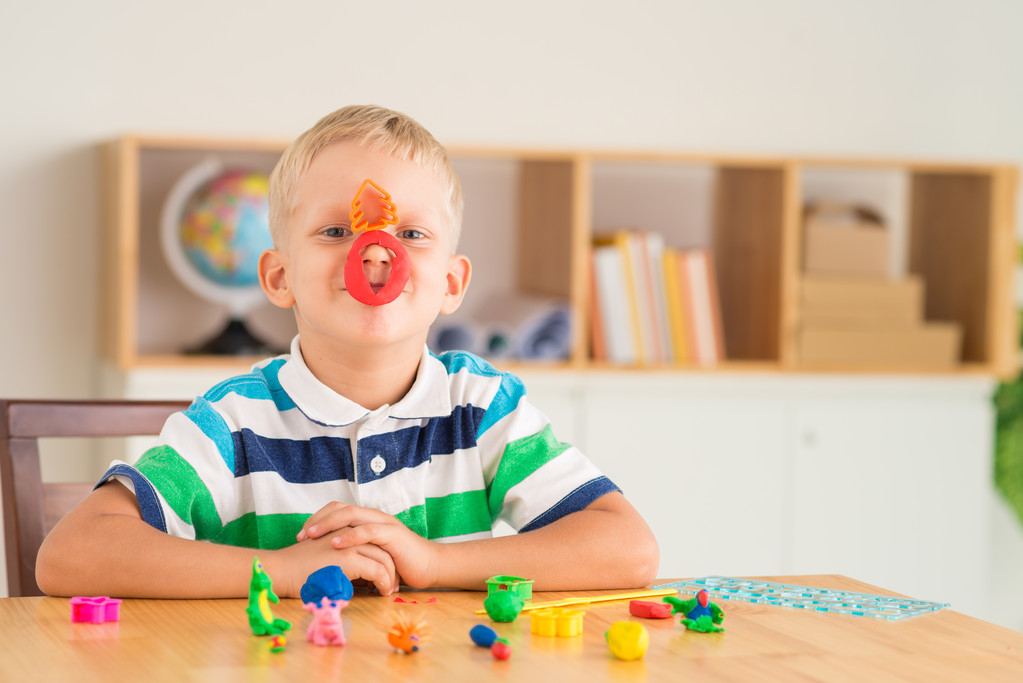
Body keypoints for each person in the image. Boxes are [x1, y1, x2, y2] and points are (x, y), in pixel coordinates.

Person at [36, 105, 659, 599]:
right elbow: (70, 555)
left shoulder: (481, 407)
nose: (378, 253)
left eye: (411, 233)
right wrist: (281, 572)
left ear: (451, 283)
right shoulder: (232, 424)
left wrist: (433, 563)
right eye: (337, 231)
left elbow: (627, 547)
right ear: (279, 277)